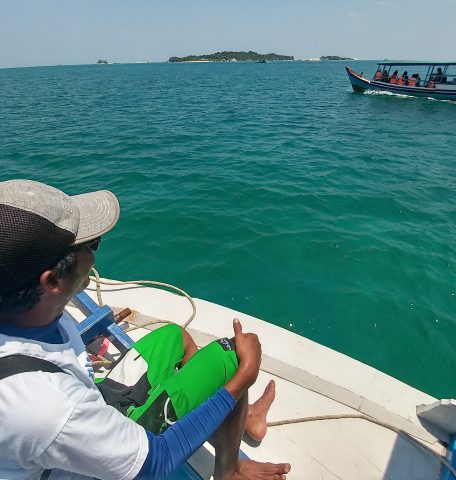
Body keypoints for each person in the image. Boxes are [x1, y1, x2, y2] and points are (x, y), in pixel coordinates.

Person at [0, 179, 291, 480]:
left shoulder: (27, 311)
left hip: (97, 402)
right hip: (93, 459)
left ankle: (232, 420)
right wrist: (242, 379)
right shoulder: (47, 407)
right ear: (51, 282)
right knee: (232, 357)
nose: (95, 257)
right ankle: (229, 469)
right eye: (91, 244)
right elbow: (157, 463)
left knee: (174, 337)